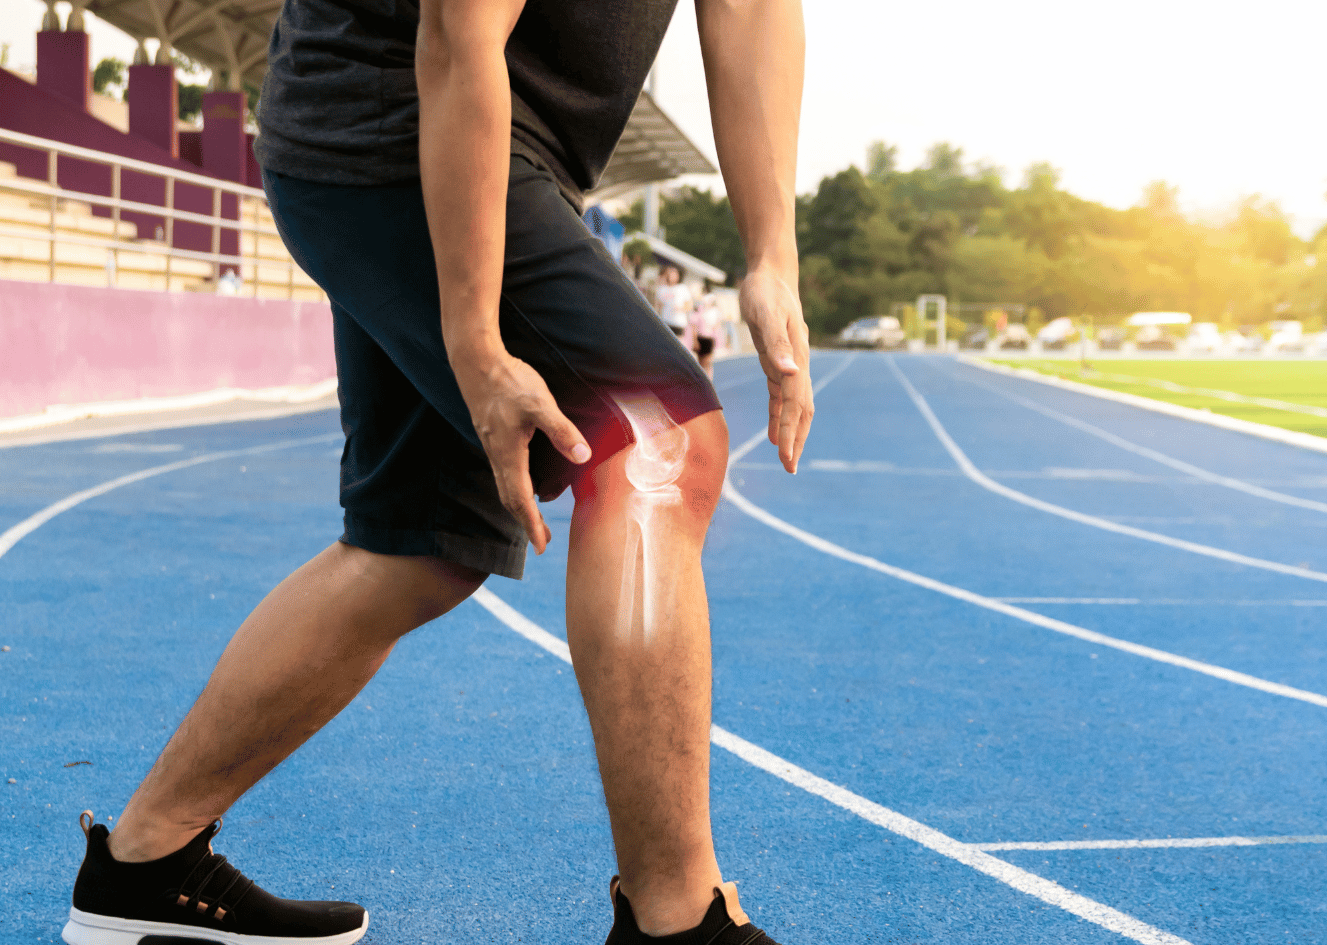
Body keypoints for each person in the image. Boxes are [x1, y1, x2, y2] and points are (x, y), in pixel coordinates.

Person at [60, 1, 811, 944]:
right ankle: (678, 919)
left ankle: (145, 865)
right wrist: (475, 341)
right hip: (398, 118)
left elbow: (749, 8)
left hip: (458, 140)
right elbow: (459, 29)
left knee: (417, 541)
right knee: (659, 443)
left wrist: (772, 254)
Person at [693, 290, 722, 377]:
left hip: (709, 338)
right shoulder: (700, 311)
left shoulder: (715, 312)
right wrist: (695, 341)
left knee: (708, 361)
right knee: (700, 362)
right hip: (700, 338)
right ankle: (701, 380)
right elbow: (694, 326)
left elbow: (717, 325)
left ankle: (709, 379)